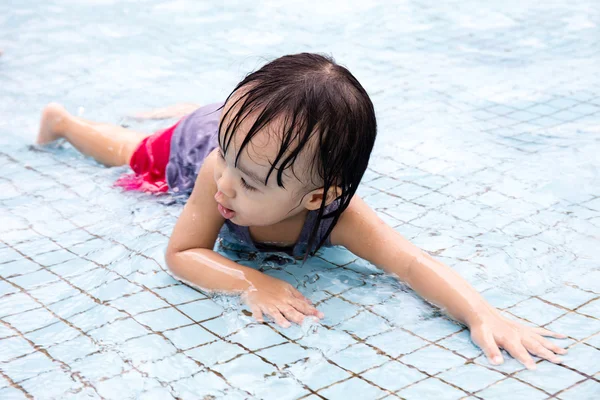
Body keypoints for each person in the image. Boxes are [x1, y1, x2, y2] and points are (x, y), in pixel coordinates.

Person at [36, 53, 567, 370]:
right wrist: (249, 282)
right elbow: (182, 252)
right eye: (229, 166)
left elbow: (409, 263)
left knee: (242, 141)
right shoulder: (214, 169)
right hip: (196, 140)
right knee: (129, 151)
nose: (226, 186)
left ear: (317, 197)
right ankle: (65, 124)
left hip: (238, 131)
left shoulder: (339, 215)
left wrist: (483, 314)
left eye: (248, 182)